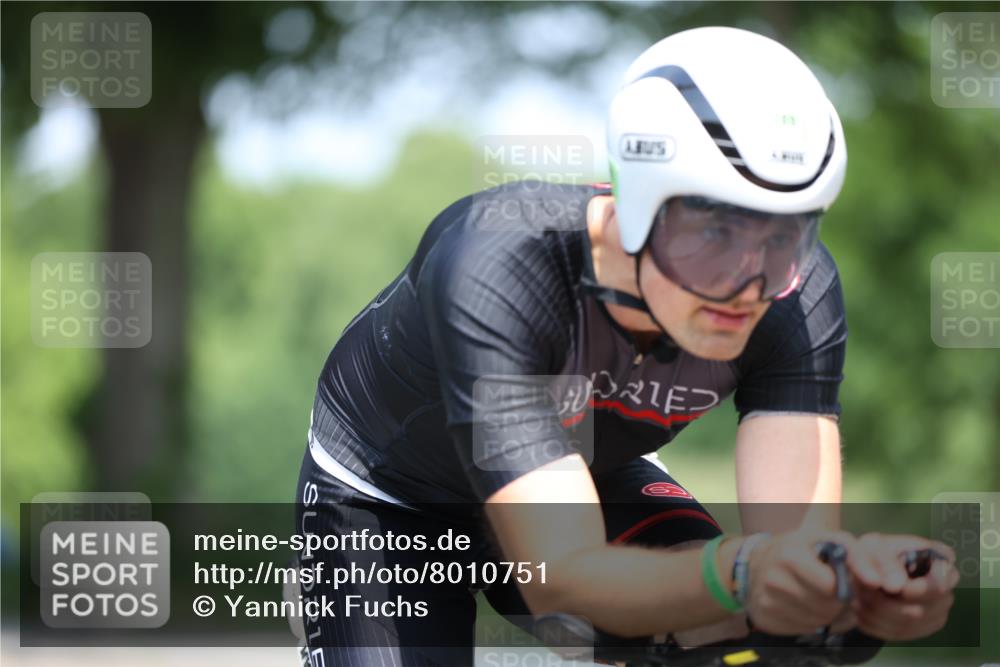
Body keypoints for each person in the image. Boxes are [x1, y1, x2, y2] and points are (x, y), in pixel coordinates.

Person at [294, 26, 957, 666]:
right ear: (638, 203)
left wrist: (856, 596)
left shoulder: (797, 293)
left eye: (783, 237)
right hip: (391, 498)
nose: (747, 287)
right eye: (715, 233)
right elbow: (562, 576)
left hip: (582, 475)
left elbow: (792, 569)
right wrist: (742, 571)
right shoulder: (498, 262)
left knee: (757, 637)